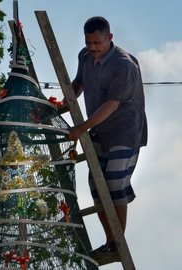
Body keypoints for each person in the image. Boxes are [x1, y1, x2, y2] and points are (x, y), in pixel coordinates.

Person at [67, 16, 147, 258]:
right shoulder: (85, 56)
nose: (92, 47)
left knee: (114, 184)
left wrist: (80, 128)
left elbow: (112, 105)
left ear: (109, 38)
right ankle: (110, 240)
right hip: (99, 130)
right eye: (88, 42)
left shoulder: (124, 65)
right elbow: (78, 83)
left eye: (97, 43)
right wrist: (63, 103)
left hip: (125, 131)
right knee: (96, 185)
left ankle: (117, 243)